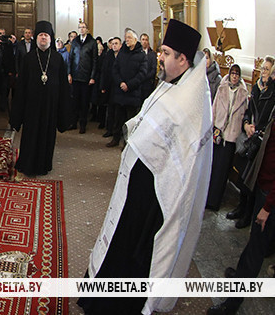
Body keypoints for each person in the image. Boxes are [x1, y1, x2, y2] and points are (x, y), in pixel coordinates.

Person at [79, 19, 210, 315]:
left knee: (132, 252)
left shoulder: (192, 101)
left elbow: (185, 161)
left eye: (165, 53)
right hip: (137, 187)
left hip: (155, 198)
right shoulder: (170, 85)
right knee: (118, 242)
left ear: (183, 59)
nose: (160, 58)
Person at [207, 63, 275, 315]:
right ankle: (241, 276)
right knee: (255, 244)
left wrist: (267, 206)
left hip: (270, 194)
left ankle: (232, 302)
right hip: (263, 184)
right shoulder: (267, 96)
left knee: (257, 246)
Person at [10, 20, 71, 177]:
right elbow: (21, 85)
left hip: (51, 105)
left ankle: (44, 164)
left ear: (51, 38)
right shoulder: (28, 58)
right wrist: (18, 111)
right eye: (41, 35)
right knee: (30, 134)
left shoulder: (58, 59)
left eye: (46, 35)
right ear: (36, 37)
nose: (43, 38)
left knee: (47, 135)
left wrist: (63, 110)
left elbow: (64, 86)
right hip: (32, 105)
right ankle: (27, 163)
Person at [229, 56, 275, 229]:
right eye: (262, 68)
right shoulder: (256, 88)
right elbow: (249, 110)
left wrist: (256, 129)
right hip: (250, 135)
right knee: (242, 175)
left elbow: (267, 118)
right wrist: (247, 124)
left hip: (260, 141)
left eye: (266, 69)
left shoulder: (272, 92)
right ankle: (241, 207)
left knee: (251, 180)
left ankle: (247, 214)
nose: (263, 72)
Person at [207, 64, 249, 210]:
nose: (234, 76)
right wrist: (213, 126)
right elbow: (215, 106)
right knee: (213, 167)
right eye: (232, 73)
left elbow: (245, 114)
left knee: (222, 171)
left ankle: (215, 202)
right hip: (219, 132)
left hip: (231, 137)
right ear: (229, 74)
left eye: (237, 74)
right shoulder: (222, 87)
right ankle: (207, 198)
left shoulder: (243, 93)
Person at [106, 29, 148, 148]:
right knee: (117, 118)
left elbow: (142, 73)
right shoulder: (122, 53)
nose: (127, 39)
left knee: (130, 120)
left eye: (129, 37)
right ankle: (115, 138)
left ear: (135, 40)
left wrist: (129, 85)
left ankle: (128, 142)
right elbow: (115, 69)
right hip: (120, 91)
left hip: (132, 92)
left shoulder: (141, 55)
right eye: (126, 37)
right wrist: (121, 83)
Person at [68, 22, 98, 134]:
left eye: (84, 27)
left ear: (87, 29)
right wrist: (69, 73)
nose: (81, 29)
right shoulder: (75, 42)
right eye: (80, 27)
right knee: (74, 101)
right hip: (75, 75)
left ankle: (83, 124)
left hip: (86, 77)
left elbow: (95, 60)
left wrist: (92, 76)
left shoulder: (92, 42)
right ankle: (73, 122)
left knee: (84, 102)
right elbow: (71, 58)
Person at [100, 37, 121, 137]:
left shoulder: (123, 56)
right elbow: (104, 71)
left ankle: (117, 130)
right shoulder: (108, 56)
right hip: (109, 86)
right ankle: (109, 129)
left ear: (120, 45)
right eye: (112, 44)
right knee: (110, 109)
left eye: (116, 43)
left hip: (119, 87)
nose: (114, 45)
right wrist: (103, 86)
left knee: (118, 111)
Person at [139, 33, 158, 100]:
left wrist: (145, 77)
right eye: (143, 39)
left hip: (148, 83)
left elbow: (153, 69)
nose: (144, 41)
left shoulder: (152, 54)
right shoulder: (136, 53)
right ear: (140, 41)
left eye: (146, 40)